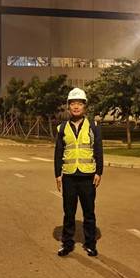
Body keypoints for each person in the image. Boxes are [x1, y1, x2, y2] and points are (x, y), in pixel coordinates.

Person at [54, 87, 103, 257]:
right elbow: (58, 152)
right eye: (73, 103)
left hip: (87, 176)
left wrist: (99, 172)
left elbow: (98, 150)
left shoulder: (93, 126)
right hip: (69, 177)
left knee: (89, 212)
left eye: (79, 103)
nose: (76, 107)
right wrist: (57, 174)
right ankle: (67, 243)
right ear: (68, 106)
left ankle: (90, 244)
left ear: (84, 106)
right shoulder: (62, 128)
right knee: (69, 212)